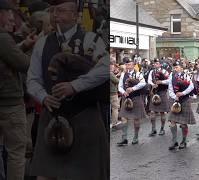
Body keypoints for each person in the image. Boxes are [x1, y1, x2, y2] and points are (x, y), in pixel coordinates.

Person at [26, 0, 108, 179]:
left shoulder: (91, 39)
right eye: (54, 11)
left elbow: (105, 69)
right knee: (44, 175)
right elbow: (32, 79)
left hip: (84, 117)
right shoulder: (42, 43)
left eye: (62, 11)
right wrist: (43, 97)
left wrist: (74, 86)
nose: (56, 16)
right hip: (51, 118)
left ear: (76, 16)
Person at [0, 0, 36, 179]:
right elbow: (23, 64)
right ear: (1, 14)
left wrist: (23, 46)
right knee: (16, 152)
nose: (13, 20)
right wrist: (34, 54)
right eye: (10, 15)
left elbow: (7, 57)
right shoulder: (2, 37)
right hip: (9, 103)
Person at [166, 60, 196, 150]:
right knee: (172, 122)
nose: (175, 69)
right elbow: (170, 88)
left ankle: (183, 140)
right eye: (174, 67)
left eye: (177, 67)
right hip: (175, 101)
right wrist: (175, 96)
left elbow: (191, 87)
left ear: (181, 68)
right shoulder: (172, 76)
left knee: (183, 124)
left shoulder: (186, 75)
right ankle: (174, 141)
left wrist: (182, 93)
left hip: (184, 100)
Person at [117, 57, 147, 146]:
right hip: (126, 98)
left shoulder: (138, 74)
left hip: (136, 98)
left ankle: (135, 137)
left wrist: (132, 89)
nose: (127, 66)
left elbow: (143, 83)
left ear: (134, 65)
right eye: (126, 64)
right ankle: (124, 138)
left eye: (129, 64)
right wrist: (123, 92)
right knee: (123, 118)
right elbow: (120, 86)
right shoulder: (123, 74)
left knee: (136, 118)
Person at [147, 58, 170, 136]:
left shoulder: (165, 72)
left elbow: (169, 81)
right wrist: (153, 84)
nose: (155, 64)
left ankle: (162, 129)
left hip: (162, 92)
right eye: (154, 63)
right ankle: (153, 129)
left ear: (160, 64)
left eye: (157, 63)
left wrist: (161, 82)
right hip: (154, 93)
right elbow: (149, 80)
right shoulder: (151, 72)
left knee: (162, 112)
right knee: (152, 112)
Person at [110, 59, 121, 129]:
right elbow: (117, 81)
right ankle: (114, 123)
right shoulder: (110, 73)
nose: (114, 67)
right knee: (115, 108)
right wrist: (118, 76)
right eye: (113, 66)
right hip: (113, 93)